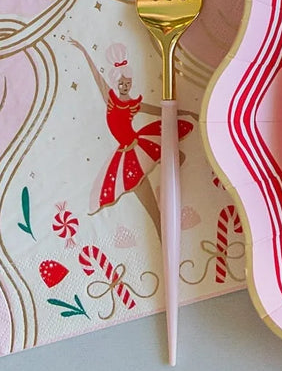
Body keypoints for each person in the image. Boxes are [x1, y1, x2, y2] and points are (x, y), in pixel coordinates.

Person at [66, 38, 195, 233]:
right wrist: (84, 51)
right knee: (142, 192)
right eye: (121, 82)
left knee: (174, 153)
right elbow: (97, 77)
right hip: (127, 152)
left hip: (139, 143)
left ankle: (169, 193)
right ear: (116, 83)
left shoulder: (134, 104)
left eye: (128, 82)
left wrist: (186, 113)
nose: (125, 86)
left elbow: (158, 110)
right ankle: (160, 224)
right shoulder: (110, 99)